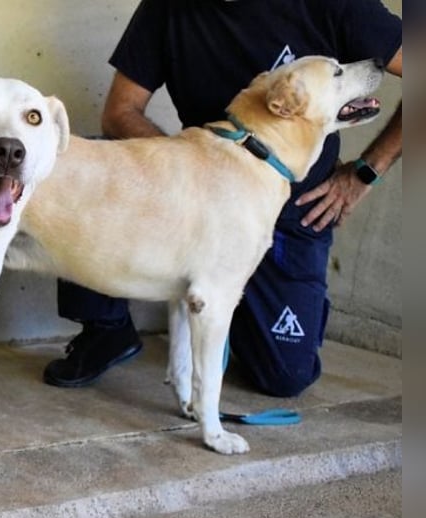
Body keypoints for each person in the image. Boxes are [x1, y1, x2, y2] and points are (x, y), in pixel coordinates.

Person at [44, 0, 402, 397]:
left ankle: (252, 309)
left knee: (284, 376)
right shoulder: (167, 8)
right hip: (199, 197)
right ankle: (107, 329)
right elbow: (120, 111)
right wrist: (185, 168)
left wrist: (365, 172)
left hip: (297, 206)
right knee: (97, 161)